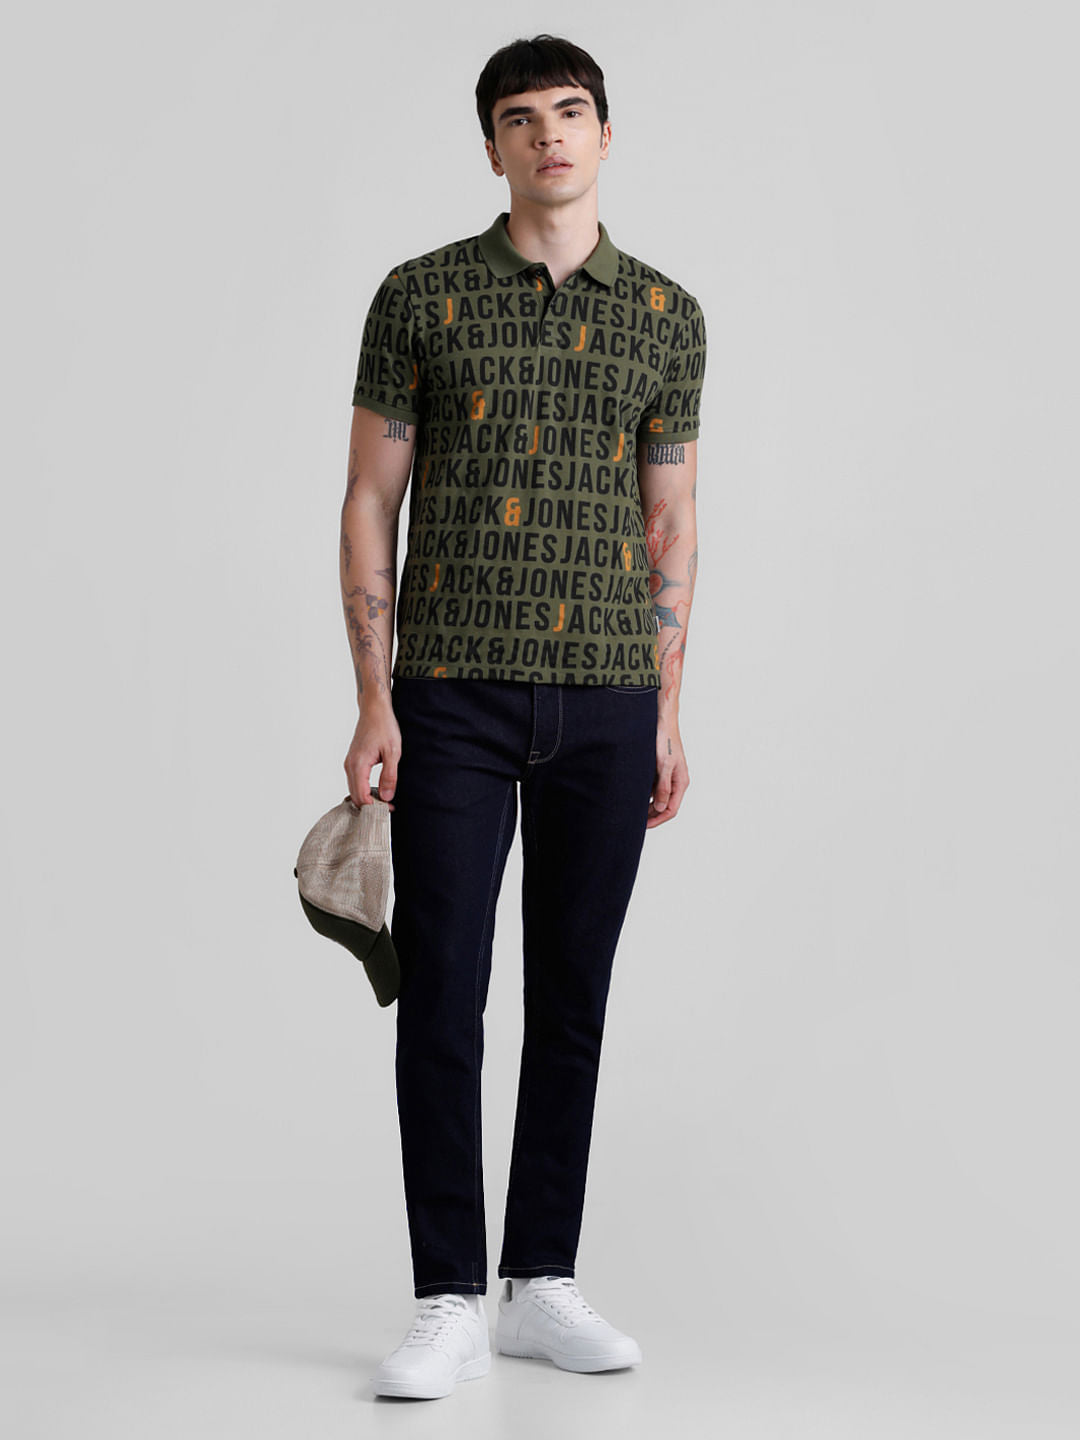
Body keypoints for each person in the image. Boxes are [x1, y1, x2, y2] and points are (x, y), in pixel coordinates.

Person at [339, 34, 706, 1400]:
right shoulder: (420, 296)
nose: (548, 134)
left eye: (570, 112)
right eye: (519, 117)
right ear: (490, 146)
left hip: (610, 696)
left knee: (573, 997)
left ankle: (539, 1277)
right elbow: (370, 498)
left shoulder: (667, 316)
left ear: (606, 134)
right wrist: (373, 696)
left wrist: (667, 709)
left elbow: (671, 521)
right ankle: (446, 1293)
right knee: (442, 993)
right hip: (449, 696)